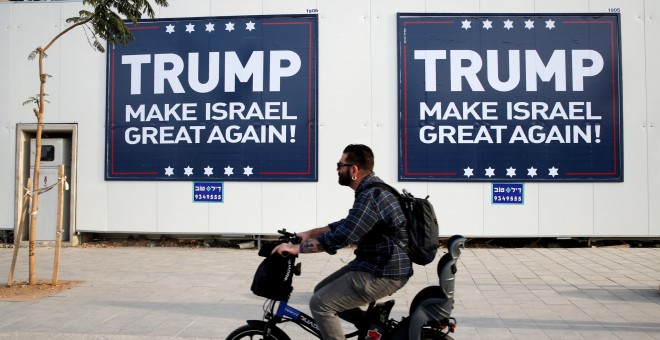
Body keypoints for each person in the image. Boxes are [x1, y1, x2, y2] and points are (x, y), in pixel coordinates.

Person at [273, 144, 412, 340]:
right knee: (321, 290)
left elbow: (342, 237)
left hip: (384, 272)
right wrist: (310, 232)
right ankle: (371, 325)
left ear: (354, 169)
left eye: (340, 165)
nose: (337, 170)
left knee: (320, 304)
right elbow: (348, 224)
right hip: (376, 264)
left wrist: (295, 248)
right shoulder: (371, 189)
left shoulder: (371, 196)